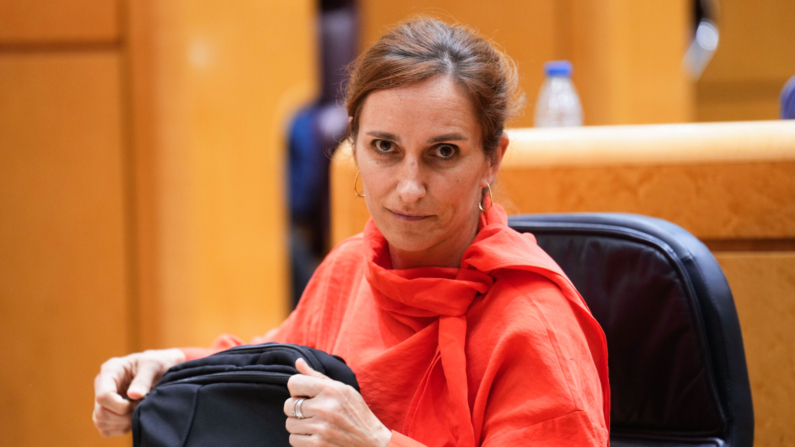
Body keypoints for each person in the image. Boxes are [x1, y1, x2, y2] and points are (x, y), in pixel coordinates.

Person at [93, 17, 610, 446]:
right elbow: (266, 363)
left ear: (492, 161)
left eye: (444, 152)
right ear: (354, 147)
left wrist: (376, 442)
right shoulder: (351, 266)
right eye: (385, 148)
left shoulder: (535, 329)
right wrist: (164, 370)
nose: (409, 188)